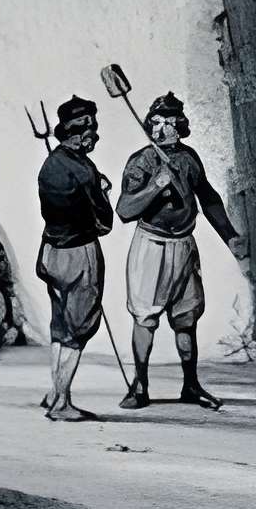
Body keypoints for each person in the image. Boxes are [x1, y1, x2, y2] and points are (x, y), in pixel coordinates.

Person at [115, 91, 243, 409]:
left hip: (184, 246)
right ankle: (139, 387)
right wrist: (156, 184)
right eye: (156, 122)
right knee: (145, 317)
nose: (161, 130)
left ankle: (191, 385)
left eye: (169, 123)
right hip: (151, 247)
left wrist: (230, 236)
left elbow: (208, 198)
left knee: (186, 317)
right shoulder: (142, 161)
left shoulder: (189, 158)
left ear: (180, 126)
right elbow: (125, 210)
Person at [35, 94, 113, 421]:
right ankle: (62, 404)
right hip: (79, 255)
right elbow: (104, 223)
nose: (95, 134)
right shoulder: (83, 169)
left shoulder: (51, 163)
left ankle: (54, 392)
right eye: (90, 128)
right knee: (77, 331)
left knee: (60, 326)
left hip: (50, 252)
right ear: (77, 132)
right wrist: (102, 191)